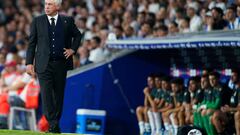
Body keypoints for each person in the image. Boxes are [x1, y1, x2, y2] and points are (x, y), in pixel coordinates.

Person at [26, 0, 82, 133]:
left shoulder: (67, 21)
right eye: (46, 4)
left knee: (58, 95)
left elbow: (78, 35)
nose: (47, 7)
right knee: (46, 95)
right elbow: (32, 43)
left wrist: (72, 50)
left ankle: (54, 124)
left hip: (61, 64)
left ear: (58, 6)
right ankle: (53, 123)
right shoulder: (37, 21)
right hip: (43, 65)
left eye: (50, 4)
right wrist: (29, 63)